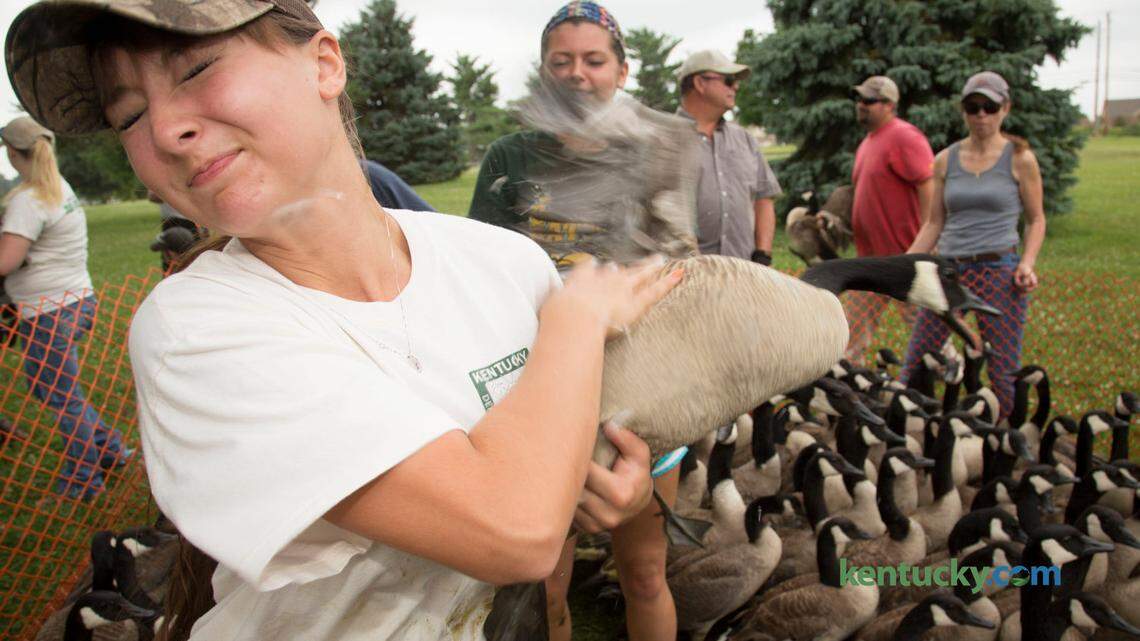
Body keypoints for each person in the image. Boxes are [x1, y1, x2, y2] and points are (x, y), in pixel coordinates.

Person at [5, 1, 680, 640]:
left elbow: (549, 463)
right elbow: (516, 529)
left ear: (325, 64)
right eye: (128, 116)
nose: (162, 131)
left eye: (196, 69)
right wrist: (576, 317)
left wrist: (605, 486)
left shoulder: (504, 261)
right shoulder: (194, 330)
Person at [468, 3, 687, 639]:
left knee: (645, 574)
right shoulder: (510, 158)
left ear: (622, 71)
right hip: (540, 393)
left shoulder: (654, 154)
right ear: (543, 72)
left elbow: (680, 271)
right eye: (560, 61)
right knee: (546, 587)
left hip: (643, 394)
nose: (576, 74)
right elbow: (481, 271)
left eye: (593, 60)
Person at [901, 71, 1045, 420]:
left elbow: (1036, 219)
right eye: (973, 107)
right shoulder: (945, 160)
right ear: (963, 110)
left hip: (999, 271)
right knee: (918, 358)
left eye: (989, 107)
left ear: (1005, 108)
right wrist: (903, 265)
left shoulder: (1020, 159)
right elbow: (934, 223)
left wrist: (1027, 263)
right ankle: (909, 426)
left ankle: (1005, 437)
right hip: (951, 271)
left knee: (1002, 367)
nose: (981, 115)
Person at [0, 116, 130, 501]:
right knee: (52, 388)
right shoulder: (58, 187)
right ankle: (111, 451)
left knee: (61, 397)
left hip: (48, 311)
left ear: (13, 152)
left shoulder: (28, 200)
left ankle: (83, 482)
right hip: (73, 301)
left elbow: (6, 261)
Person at [846, 75, 935, 362]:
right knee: (849, 335)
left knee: (926, 331)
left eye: (869, 100)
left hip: (904, 259)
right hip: (870, 262)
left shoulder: (904, 136)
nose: (861, 105)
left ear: (889, 105)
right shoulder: (868, 142)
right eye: (859, 99)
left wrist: (927, 241)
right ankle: (848, 379)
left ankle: (950, 371)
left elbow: (928, 185)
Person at [676, 49, 782, 265]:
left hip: (744, 272)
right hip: (682, 277)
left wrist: (763, 254)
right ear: (700, 83)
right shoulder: (662, 140)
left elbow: (763, 198)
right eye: (728, 80)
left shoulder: (745, 140)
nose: (736, 86)